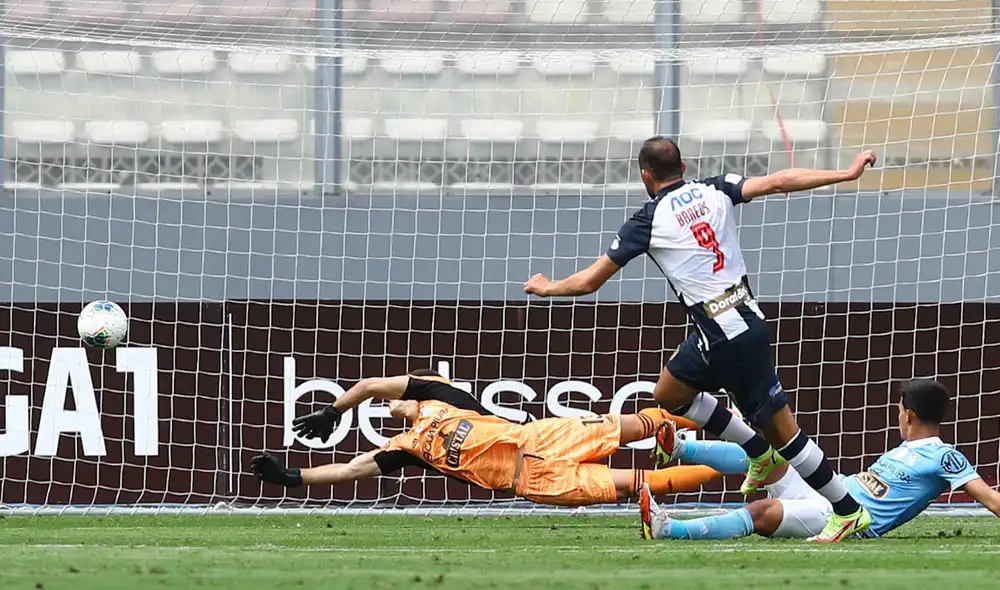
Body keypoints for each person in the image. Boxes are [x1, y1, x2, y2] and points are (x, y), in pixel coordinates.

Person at [523, 137, 878, 541]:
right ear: (684, 166)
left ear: (645, 175)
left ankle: (847, 510)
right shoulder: (716, 187)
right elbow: (780, 180)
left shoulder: (647, 220)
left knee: (787, 435)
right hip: (725, 326)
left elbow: (589, 282)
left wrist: (547, 287)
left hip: (730, 339)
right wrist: (846, 173)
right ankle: (757, 452)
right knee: (670, 392)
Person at [251, 369, 721, 506]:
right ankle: (732, 463)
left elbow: (376, 387)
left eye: (396, 404)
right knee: (638, 484)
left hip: (542, 437)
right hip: (533, 482)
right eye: (389, 411)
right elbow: (351, 469)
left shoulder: (443, 396)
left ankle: (723, 424)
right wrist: (293, 477)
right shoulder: (408, 449)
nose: (390, 409)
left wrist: (338, 408)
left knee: (642, 426)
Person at [639, 379, 1000, 540]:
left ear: (909, 415)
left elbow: (988, 498)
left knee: (761, 513)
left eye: (899, 410)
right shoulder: (907, 448)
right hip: (834, 489)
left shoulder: (945, 456)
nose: (898, 415)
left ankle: (670, 530)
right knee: (769, 453)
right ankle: (680, 449)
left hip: (842, 518)